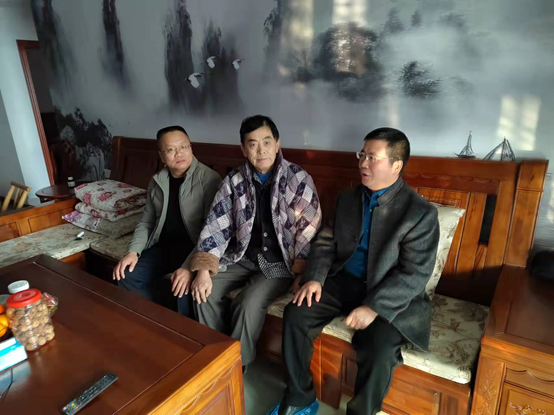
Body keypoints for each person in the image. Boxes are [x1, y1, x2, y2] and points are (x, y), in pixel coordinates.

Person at [270, 128, 440, 415]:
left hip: (388, 293)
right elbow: (325, 241)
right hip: (343, 282)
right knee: (297, 312)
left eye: (372, 157)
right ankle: (300, 397)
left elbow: (415, 273)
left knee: (380, 348)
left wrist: (374, 307)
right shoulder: (348, 198)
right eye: (362, 155)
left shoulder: (420, 213)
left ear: (396, 165)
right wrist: (315, 278)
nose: (363, 163)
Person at [189, 115, 322, 370]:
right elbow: (217, 224)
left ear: (277, 144)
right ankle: (214, 359)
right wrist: (204, 269)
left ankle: (236, 368)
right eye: (253, 144)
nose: (261, 150)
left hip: (281, 263)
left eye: (267, 142)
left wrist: (301, 274)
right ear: (243, 149)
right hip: (242, 257)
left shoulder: (298, 179)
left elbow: (309, 231)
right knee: (203, 293)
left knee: (247, 303)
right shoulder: (234, 181)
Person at [113, 125, 221, 317]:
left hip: (194, 249)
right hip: (164, 248)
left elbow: (210, 231)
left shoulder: (209, 180)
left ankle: (178, 329)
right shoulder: (157, 181)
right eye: (171, 149)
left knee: (183, 290)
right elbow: (147, 221)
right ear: (161, 156)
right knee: (127, 275)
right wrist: (133, 252)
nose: (179, 153)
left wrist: (188, 267)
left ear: (191, 148)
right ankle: (156, 320)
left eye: (184, 147)